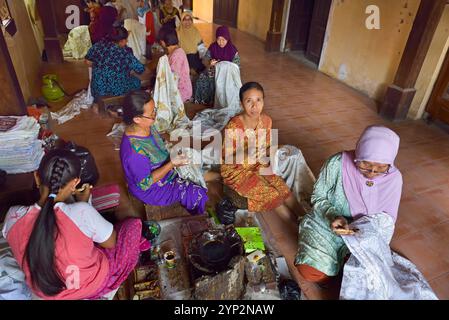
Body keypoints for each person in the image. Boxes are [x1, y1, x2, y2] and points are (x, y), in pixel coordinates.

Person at [2, 149, 149, 300]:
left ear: (37, 177)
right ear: (75, 183)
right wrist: (85, 204)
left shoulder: (12, 217)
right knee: (133, 225)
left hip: (45, 294)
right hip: (91, 286)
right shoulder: (82, 212)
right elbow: (111, 243)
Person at [294, 126, 403, 287]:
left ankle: (342, 267)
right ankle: (336, 272)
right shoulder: (338, 163)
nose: (372, 172)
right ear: (359, 154)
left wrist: (363, 233)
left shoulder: (393, 179)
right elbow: (319, 196)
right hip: (329, 223)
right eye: (365, 163)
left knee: (371, 277)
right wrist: (333, 216)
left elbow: (387, 221)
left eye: (381, 167)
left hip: (363, 234)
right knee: (310, 270)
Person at [221, 82, 302, 219]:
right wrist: (247, 153)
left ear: (263, 101)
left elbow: (267, 148)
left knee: (284, 189)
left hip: (259, 165)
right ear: (241, 104)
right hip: (236, 170)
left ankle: (305, 219)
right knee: (274, 195)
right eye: (249, 101)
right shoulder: (234, 125)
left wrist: (278, 148)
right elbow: (228, 159)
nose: (254, 106)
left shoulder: (266, 121)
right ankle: (296, 225)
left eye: (258, 100)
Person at [120, 90, 208, 215]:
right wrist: (171, 164)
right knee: (198, 194)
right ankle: (197, 218)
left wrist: (172, 151)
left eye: (155, 110)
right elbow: (145, 183)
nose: (155, 115)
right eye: (151, 114)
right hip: (152, 189)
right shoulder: (134, 152)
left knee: (197, 162)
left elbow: (159, 142)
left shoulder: (147, 126)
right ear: (137, 119)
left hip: (165, 169)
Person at [85, 27, 145, 100]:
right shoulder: (125, 53)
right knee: (136, 82)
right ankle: (124, 103)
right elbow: (140, 69)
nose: (127, 42)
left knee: (100, 79)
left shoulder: (98, 45)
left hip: (97, 88)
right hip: (116, 89)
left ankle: (96, 104)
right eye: (126, 40)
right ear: (122, 41)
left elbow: (87, 61)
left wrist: (100, 66)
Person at [194, 25, 240, 105]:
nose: (221, 42)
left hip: (227, 74)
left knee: (225, 82)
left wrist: (226, 67)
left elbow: (236, 67)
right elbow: (205, 59)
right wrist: (209, 63)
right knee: (202, 78)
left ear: (227, 38)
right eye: (219, 39)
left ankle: (220, 101)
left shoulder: (233, 50)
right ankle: (207, 99)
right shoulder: (213, 47)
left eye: (223, 40)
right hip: (214, 70)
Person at [160, 30, 192, 102]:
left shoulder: (177, 55)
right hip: (177, 86)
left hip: (181, 90)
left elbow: (173, 77)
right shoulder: (174, 52)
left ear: (164, 41)